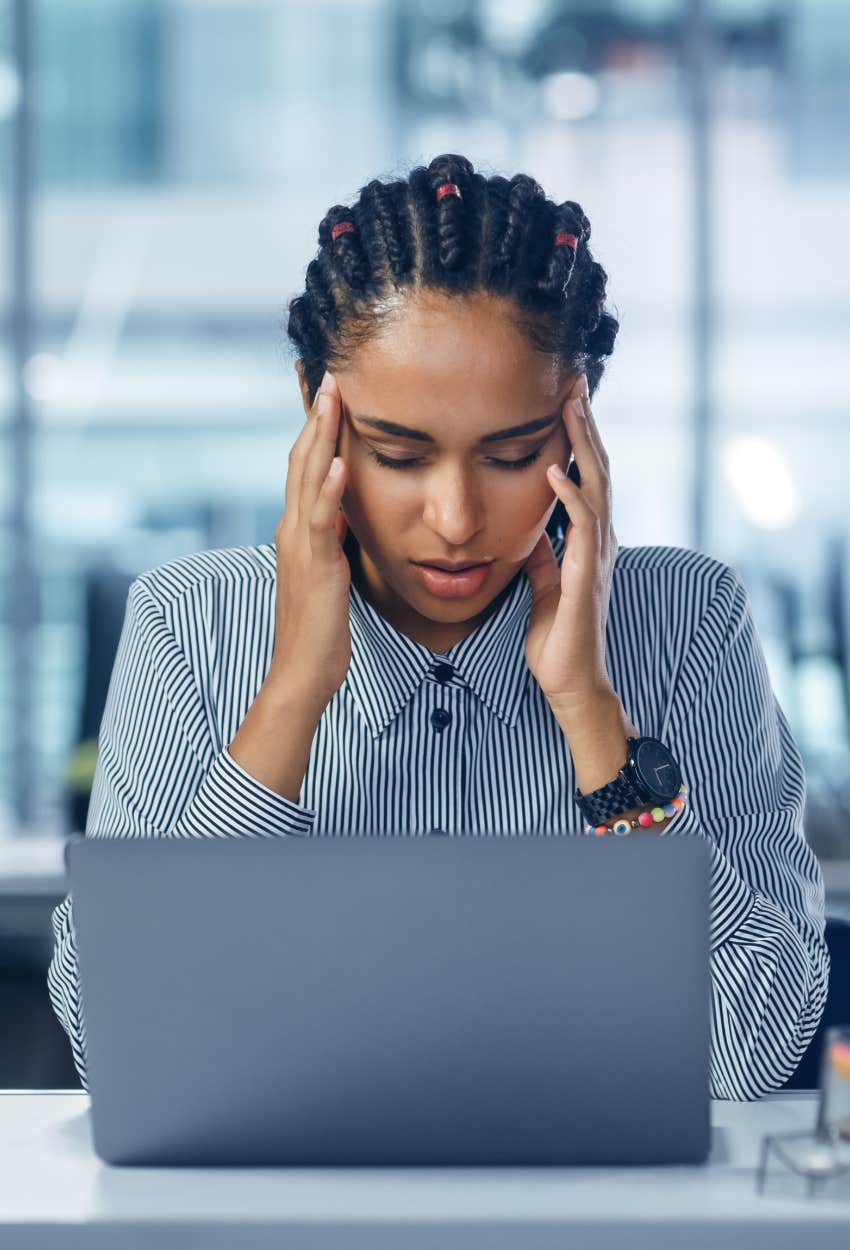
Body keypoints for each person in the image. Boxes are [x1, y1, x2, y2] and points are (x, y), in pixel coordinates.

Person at [48, 153, 829, 1100]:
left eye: (511, 455)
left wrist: (592, 720)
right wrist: (293, 689)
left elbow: (748, 1053)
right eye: (397, 454)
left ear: (578, 419)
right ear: (316, 408)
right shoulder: (191, 622)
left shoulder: (687, 623)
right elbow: (127, 1047)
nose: (456, 519)